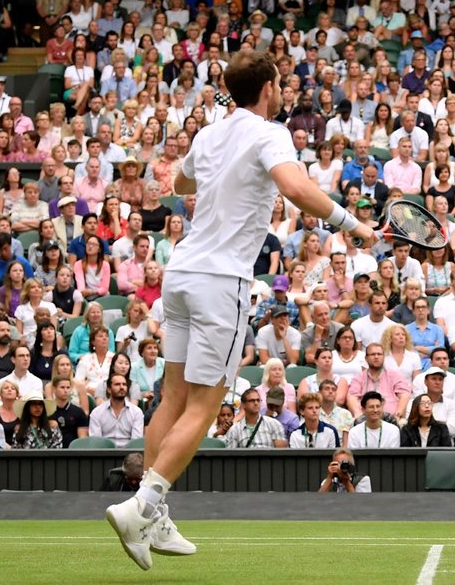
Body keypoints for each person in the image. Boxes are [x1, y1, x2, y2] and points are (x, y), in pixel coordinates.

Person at [105, 51, 376, 571]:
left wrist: (217, 181)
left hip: (180, 276)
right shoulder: (269, 132)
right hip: (220, 281)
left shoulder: (209, 134)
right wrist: (353, 225)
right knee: (204, 408)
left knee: (174, 398)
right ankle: (141, 506)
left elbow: (180, 185)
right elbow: (294, 187)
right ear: (269, 87)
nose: (283, 87)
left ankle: (152, 509)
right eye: (281, 81)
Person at [89, 374, 144, 446]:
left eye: (124, 384)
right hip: (105, 453)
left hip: (129, 453)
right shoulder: (97, 412)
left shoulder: (136, 412)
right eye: (117, 384)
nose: (122, 387)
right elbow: (96, 442)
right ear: (109, 389)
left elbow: (135, 442)